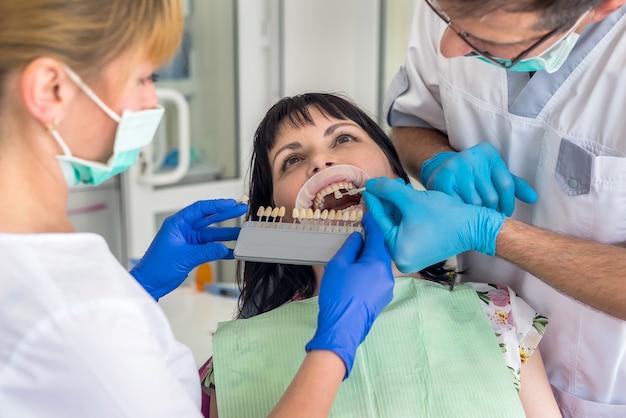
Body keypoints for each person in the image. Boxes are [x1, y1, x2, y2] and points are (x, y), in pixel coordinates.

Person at [0, 2, 398, 416]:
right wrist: (335, 344)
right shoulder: (82, 316)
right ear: (50, 89)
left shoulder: (63, 291)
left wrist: (139, 289)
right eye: (143, 77)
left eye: (344, 139)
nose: (152, 100)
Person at [204, 93, 561, 418]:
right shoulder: (234, 356)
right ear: (275, 216)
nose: (320, 160)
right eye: (291, 159)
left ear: (397, 174)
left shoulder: (500, 318)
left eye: (343, 138)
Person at [378, 0, 626, 415]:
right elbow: (411, 120)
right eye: (444, 17)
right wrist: (436, 160)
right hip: (478, 354)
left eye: (486, 41)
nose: (448, 47)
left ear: (602, 7)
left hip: (592, 387)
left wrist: (491, 233)